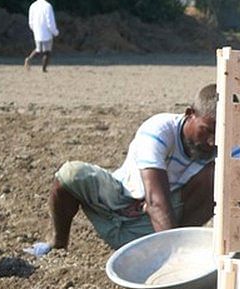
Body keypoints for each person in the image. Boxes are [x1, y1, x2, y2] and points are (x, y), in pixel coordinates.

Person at [33, 84, 221, 255]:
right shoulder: (159, 130)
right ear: (189, 114)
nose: (212, 141)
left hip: (159, 224)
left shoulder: (228, 145)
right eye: (206, 130)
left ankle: (179, 245)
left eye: (220, 133)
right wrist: (172, 258)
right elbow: (156, 201)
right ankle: (57, 245)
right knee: (71, 174)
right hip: (119, 204)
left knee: (221, 176)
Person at [25, 0, 59, 72]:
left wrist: (33, 29)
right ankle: (44, 69)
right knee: (47, 52)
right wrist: (55, 32)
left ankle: (29, 59)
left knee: (38, 49)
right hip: (46, 32)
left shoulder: (33, 5)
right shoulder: (48, 6)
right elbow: (50, 21)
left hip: (37, 30)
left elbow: (30, 20)